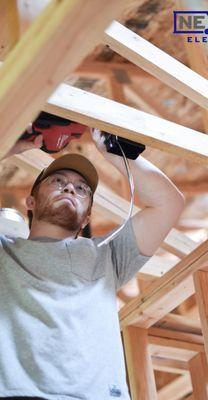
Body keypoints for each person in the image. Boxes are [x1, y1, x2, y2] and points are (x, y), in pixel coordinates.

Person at [0, 129, 185, 400]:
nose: (71, 187)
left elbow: (169, 203)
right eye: (57, 180)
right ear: (31, 202)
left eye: (82, 189)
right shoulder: (4, 251)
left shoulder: (108, 256)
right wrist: (9, 146)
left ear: (87, 217)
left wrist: (117, 153)